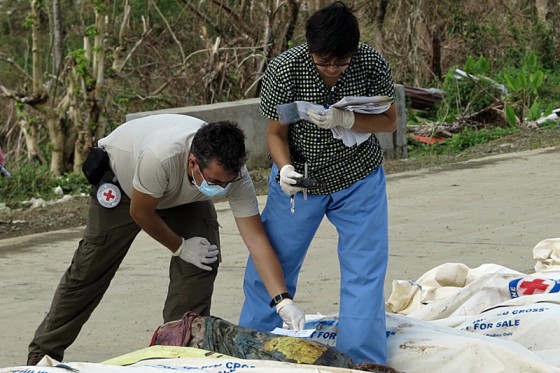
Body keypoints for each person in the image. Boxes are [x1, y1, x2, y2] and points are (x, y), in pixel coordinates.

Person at [27, 113, 304, 365]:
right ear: (194, 162)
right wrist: (180, 247)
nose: (223, 189)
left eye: (228, 183)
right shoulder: (160, 157)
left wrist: (282, 300)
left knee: (204, 260)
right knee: (88, 271)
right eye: (216, 182)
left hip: (184, 195)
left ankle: (179, 354)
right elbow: (141, 213)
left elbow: (256, 240)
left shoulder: (234, 178)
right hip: (125, 189)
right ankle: (42, 353)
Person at [239, 1, 397, 365]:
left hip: (359, 178)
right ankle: (252, 352)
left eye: (339, 63)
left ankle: (361, 361)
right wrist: (286, 170)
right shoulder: (286, 69)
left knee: (364, 271)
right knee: (271, 265)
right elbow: (276, 134)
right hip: (302, 182)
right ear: (309, 50)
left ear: (353, 53)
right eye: (322, 61)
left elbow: (388, 121)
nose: (330, 70)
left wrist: (348, 118)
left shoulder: (372, 64)